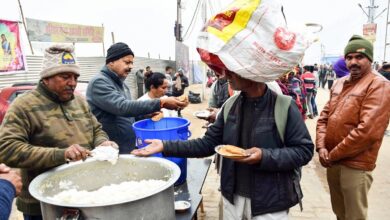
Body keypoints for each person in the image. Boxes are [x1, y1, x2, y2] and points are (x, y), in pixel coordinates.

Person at [133, 68, 314, 220]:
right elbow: (206, 144)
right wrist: (165, 146)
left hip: (270, 203)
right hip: (232, 199)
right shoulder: (230, 106)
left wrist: (264, 156)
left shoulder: (283, 106)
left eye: (232, 70)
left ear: (250, 71)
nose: (226, 74)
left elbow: (304, 151)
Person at [0, 44, 117, 219]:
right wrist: (62, 155)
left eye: (75, 77)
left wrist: (102, 142)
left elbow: (96, 129)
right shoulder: (23, 106)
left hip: (83, 195)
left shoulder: (79, 101)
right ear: (46, 77)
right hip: (42, 204)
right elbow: (8, 150)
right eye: (65, 76)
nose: (72, 83)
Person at [316, 35, 390, 220]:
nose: (353, 62)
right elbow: (323, 118)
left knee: (354, 216)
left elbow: (367, 132)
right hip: (332, 160)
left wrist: (331, 155)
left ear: (370, 59)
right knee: (340, 213)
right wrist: (321, 147)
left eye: (359, 57)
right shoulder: (339, 83)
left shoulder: (379, 85)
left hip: (356, 164)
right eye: (349, 57)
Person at [86, 42, 187, 153]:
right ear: (111, 62)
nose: (131, 67)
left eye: (132, 63)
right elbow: (122, 107)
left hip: (126, 148)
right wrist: (161, 103)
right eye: (127, 62)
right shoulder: (99, 82)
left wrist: (144, 115)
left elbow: (127, 115)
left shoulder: (123, 85)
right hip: (110, 150)